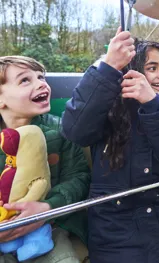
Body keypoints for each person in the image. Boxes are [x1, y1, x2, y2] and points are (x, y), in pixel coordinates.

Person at [61, 28, 159, 263]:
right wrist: (108, 67)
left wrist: (152, 104)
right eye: (152, 68)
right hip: (114, 231)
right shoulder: (106, 106)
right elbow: (74, 130)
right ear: (131, 71)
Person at [0, 56, 91, 262]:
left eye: (41, 77)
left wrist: (47, 208)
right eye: (25, 80)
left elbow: (79, 178)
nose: (41, 84)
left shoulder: (61, 130)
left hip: (50, 227)